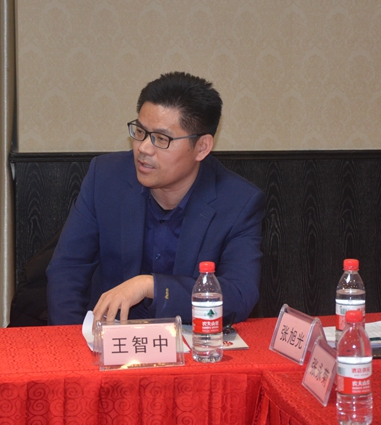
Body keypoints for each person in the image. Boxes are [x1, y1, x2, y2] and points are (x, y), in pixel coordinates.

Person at [46, 72, 264, 326]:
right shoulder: (105, 178)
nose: (143, 148)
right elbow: (67, 270)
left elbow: (240, 294)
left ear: (202, 147)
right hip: (110, 339)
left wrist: (152, 286)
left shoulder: (238, 202)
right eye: (140, 131)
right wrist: (72, 340)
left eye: (161, 139)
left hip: (190, 342)